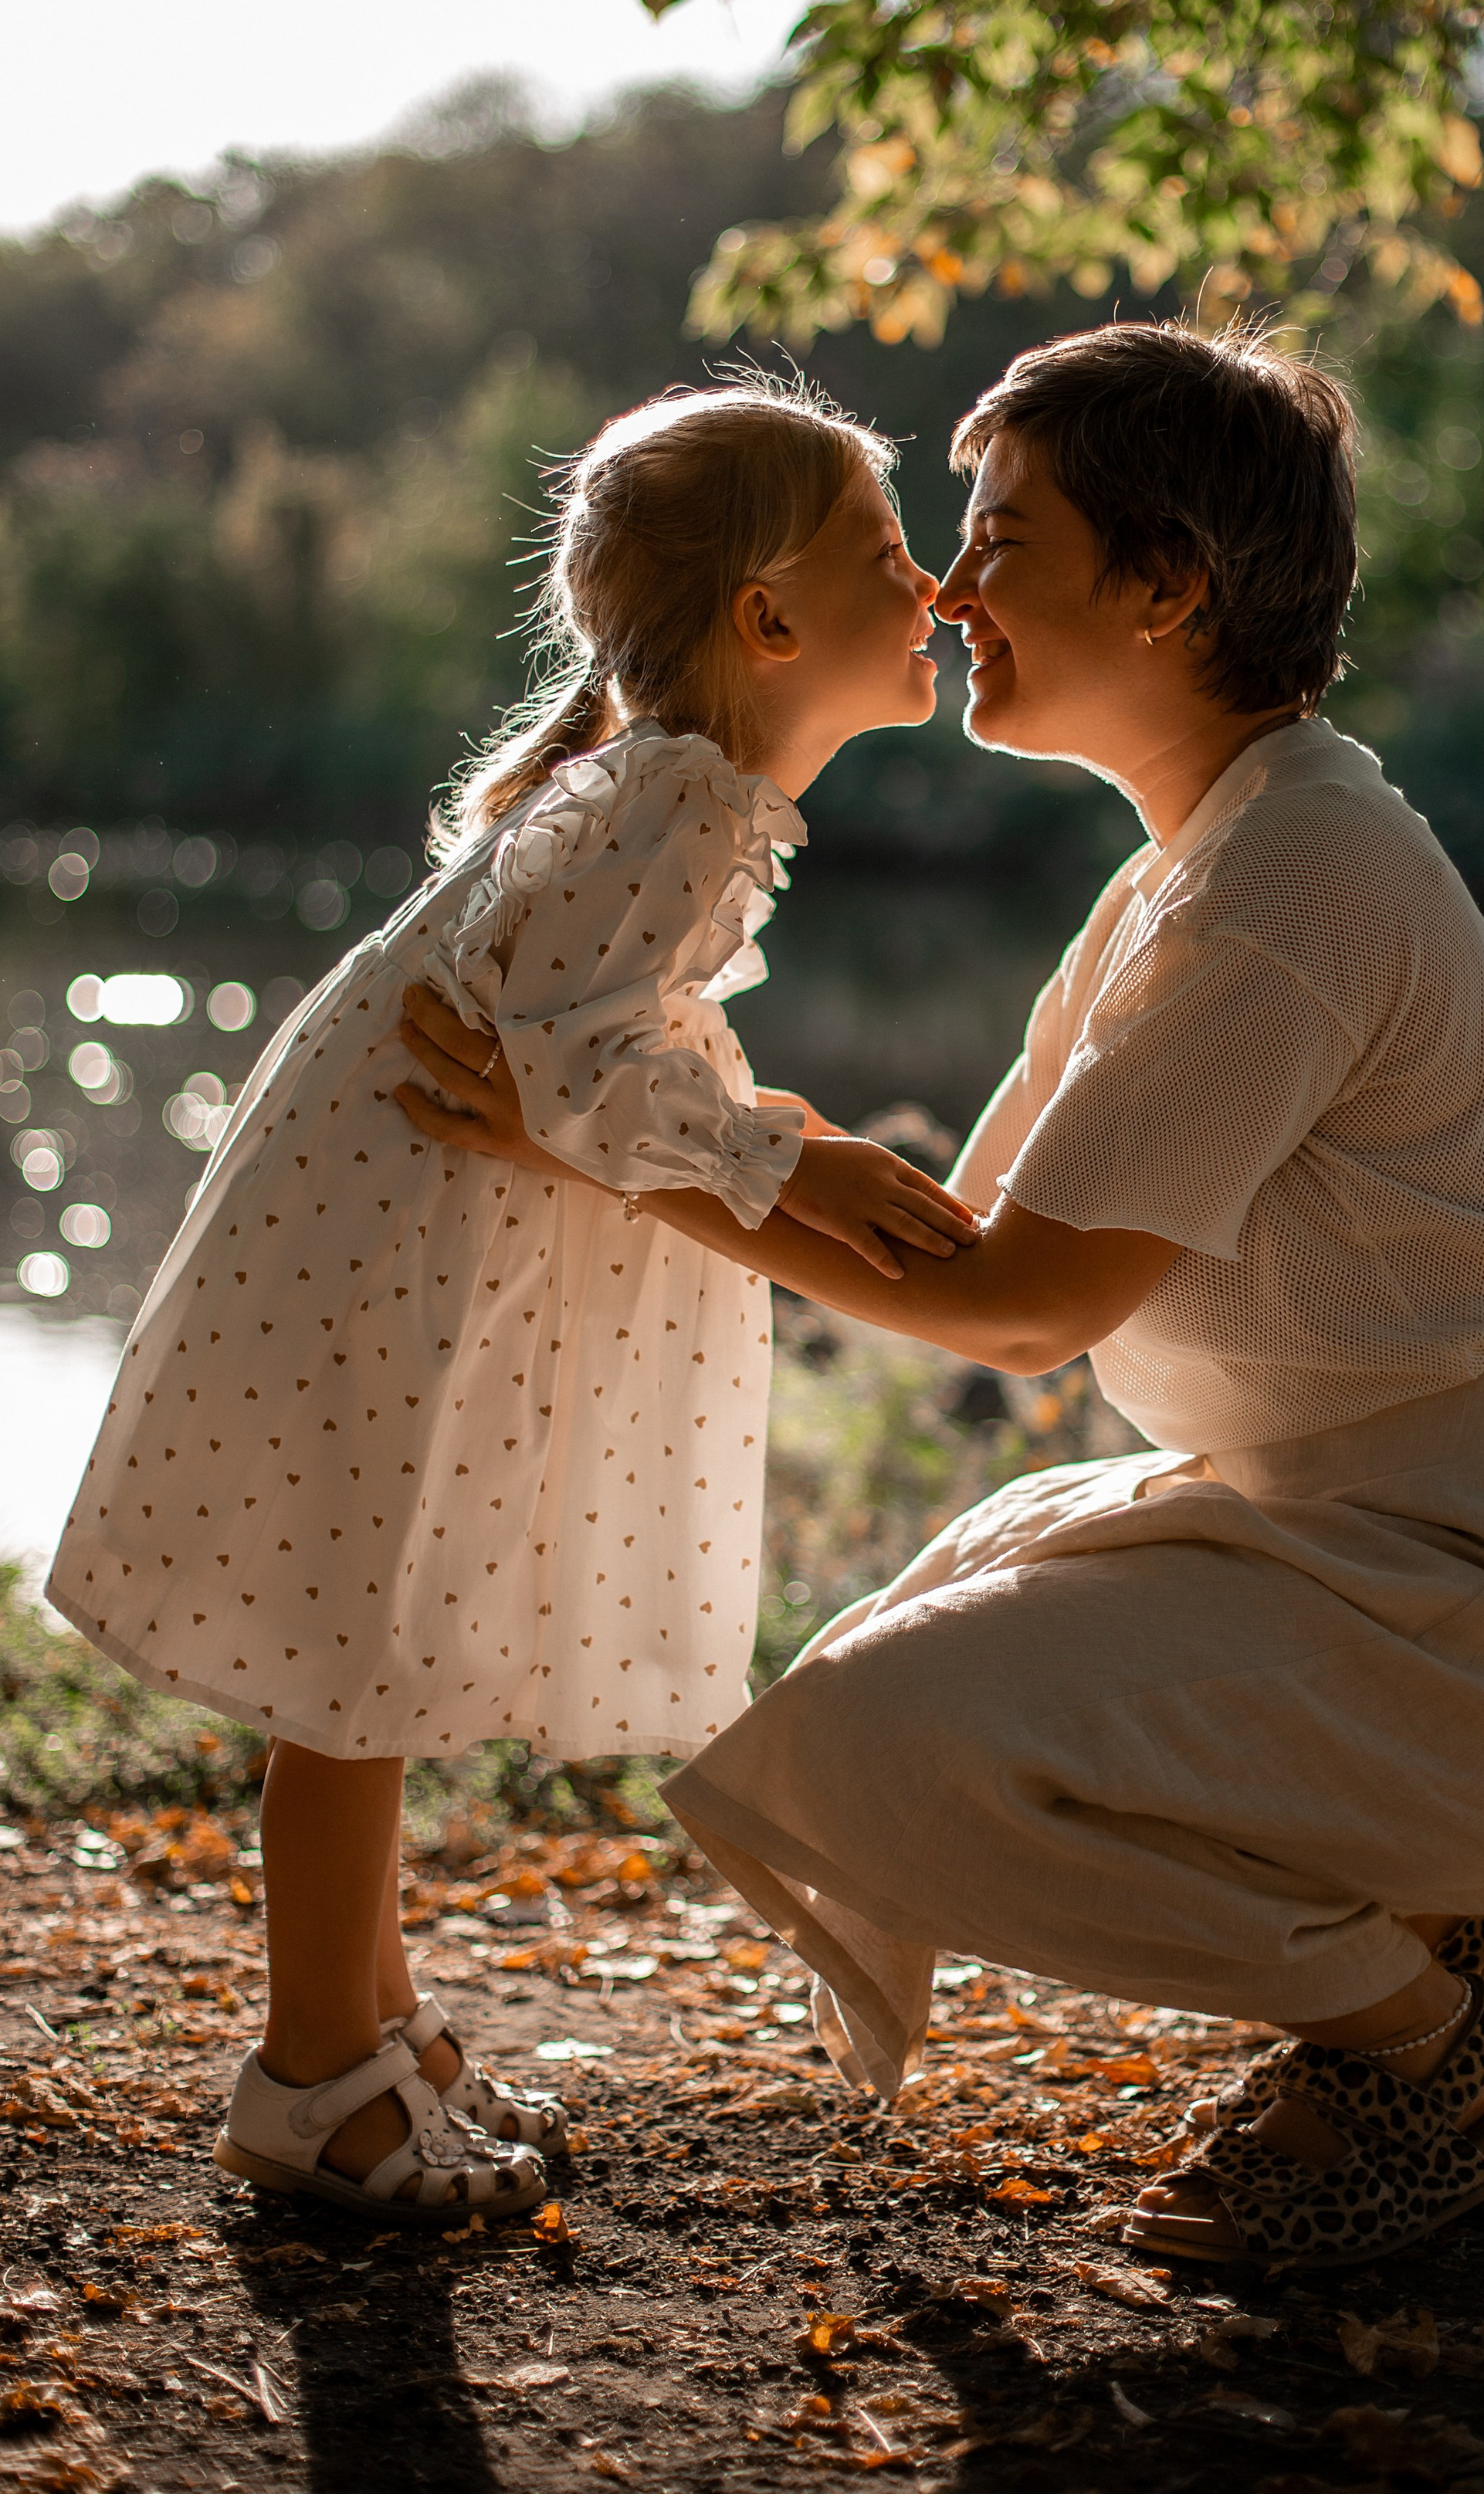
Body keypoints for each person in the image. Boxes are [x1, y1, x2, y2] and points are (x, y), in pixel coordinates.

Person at [398, 320, 1484, 2272]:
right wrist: (657, 1110)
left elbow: (1019, 1311)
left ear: (1166, 587)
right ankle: (1448, 1930)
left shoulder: (1285, 885)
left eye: (1002, 538)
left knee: (888, 1745)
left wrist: (600, 1150)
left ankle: (1414, 2046)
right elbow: (951, 1233)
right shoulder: (1194, 866)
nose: (949, 592)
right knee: (916, 1626)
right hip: (1405, 1552)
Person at [46, 376, 981, 2228]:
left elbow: (590, 1046)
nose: (935, 588)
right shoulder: (677, 802)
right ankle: (312, 2076)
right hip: (413, 1258)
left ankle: (376, 2029)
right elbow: (586, 1069)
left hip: (408, 1236)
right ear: (766, 619)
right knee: (353, 1672)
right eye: (887, 554)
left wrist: (756, 1124)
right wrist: (789, 1167)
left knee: (369, 1651)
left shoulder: (659, 788)